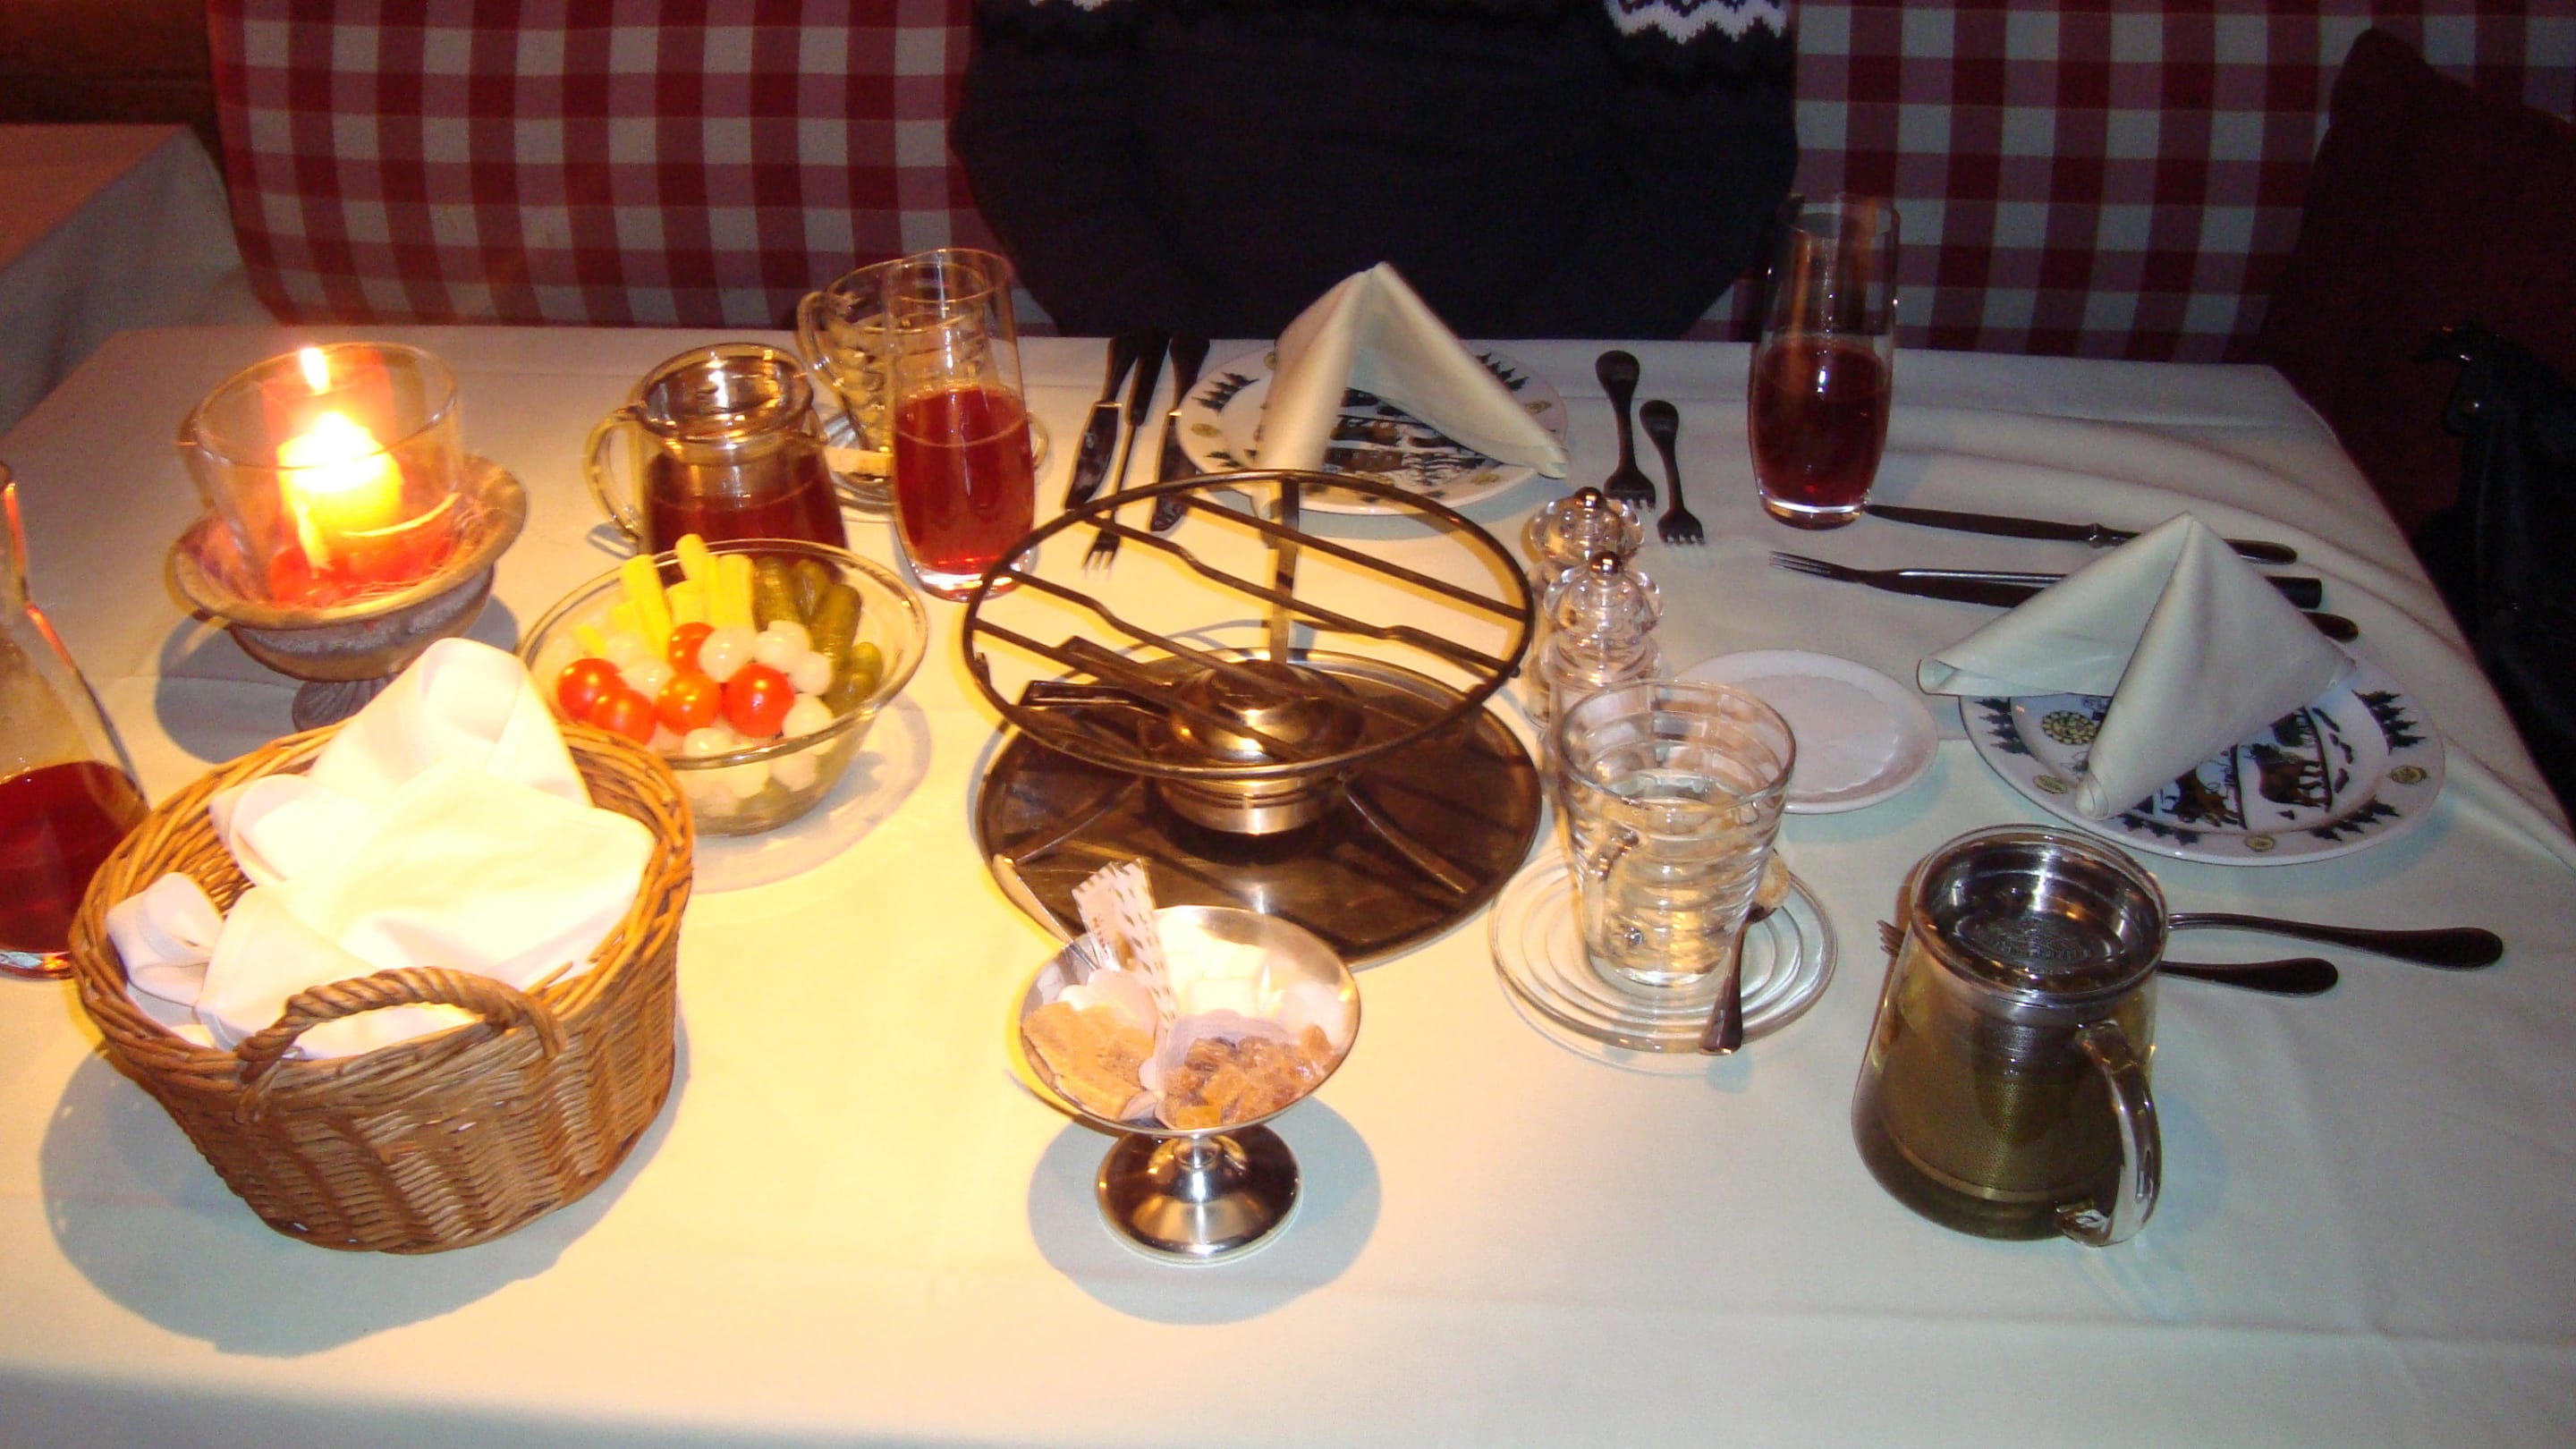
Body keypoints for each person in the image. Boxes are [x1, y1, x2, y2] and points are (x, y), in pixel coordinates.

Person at [950, 0, 1798, 339]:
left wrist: (1506, 372)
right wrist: (1196, 347)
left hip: (1546, 370)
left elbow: (1713, 165)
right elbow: (1035, 134)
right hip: (1188, 356)